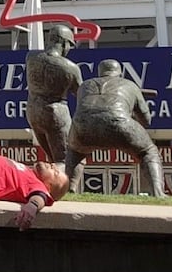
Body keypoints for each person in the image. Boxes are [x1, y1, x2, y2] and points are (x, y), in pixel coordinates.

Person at [65, 59, 165, 196]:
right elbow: (146, 120)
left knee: (74, 152)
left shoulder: (84, 85)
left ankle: (68, 189)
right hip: (119, 123)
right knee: (148, 151)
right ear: (119, 73)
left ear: (100, 72)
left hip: (83, 127)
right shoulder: (130, 85)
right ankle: (158, 192)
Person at [25, 23, 82, 164]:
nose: (69, 49)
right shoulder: (70, 67)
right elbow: (81, 93)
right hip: (55, 114)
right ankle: (67, 186)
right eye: (70, 45)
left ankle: (52, 185)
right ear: (63, 42)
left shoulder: (31, 57)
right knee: (66, 159)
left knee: (52, 160)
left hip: (33, 113)